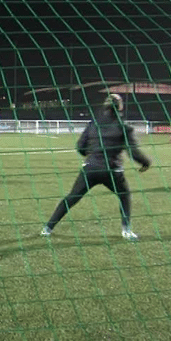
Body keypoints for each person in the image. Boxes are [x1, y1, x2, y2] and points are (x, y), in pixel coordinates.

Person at [41, 94, 151, 241]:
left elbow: (80, 147)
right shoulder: (124, 127)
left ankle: (48, 228)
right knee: (124, 196)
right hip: (112, 171)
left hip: (91, 169)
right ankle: (126, 231)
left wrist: (92, 155)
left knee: (72, 197)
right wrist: (146, 162)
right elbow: (133, 152)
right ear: (120, 107)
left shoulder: (93, 124)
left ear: (104, 106)